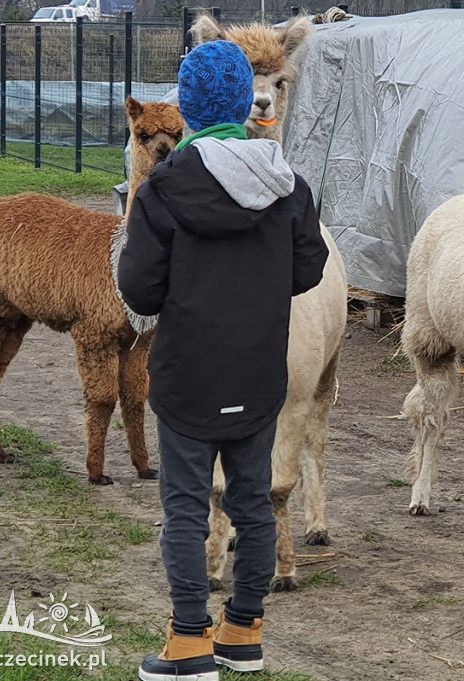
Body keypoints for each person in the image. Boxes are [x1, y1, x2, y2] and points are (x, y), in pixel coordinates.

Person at [119, 39, 329, 680]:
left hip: (188, 378)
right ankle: (243, 631)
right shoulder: (288, 186)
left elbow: (139, 289)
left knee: (184, 508)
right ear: (247, 103)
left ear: (187, 107)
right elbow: (309, 268)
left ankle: (188, 641)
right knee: (254, 502)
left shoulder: (162, 191)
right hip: (258, 373)